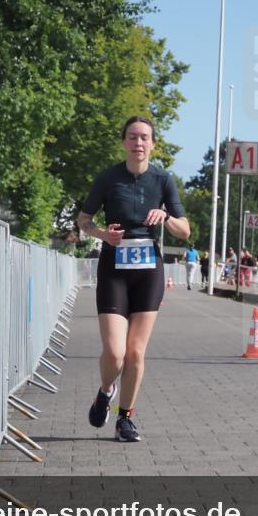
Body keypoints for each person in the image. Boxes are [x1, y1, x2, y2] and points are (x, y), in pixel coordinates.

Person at [77, 116, 190, 442]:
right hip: (114, 266)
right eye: (132, 137)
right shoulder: (108, 178)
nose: (138, 143)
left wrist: (166, 217)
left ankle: (125, 419)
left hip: (148, 271)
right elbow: (84, 220)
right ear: (124, 141)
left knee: (136, 353)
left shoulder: (163, 180)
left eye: (144, 138)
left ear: (153, 143)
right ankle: (105, 391)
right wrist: (101, 234)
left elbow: (186, 230)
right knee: (114, 353)